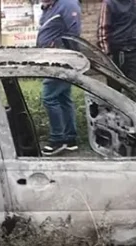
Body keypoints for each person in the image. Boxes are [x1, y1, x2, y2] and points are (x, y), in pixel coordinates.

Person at [36, 0, 82, 156]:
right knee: (63, 98)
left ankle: (58, 139)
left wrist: (67, 58)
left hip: (61, 60)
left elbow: (74, 34)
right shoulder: (49, 7)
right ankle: (70, 139)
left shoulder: (68, 4)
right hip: (50, 59)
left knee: (49, 97)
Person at [97, 0, 136, 89]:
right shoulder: (109, 3)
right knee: (115, 87)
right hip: (118, 51)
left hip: (135, 49)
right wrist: (106, 54)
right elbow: (102, 29)